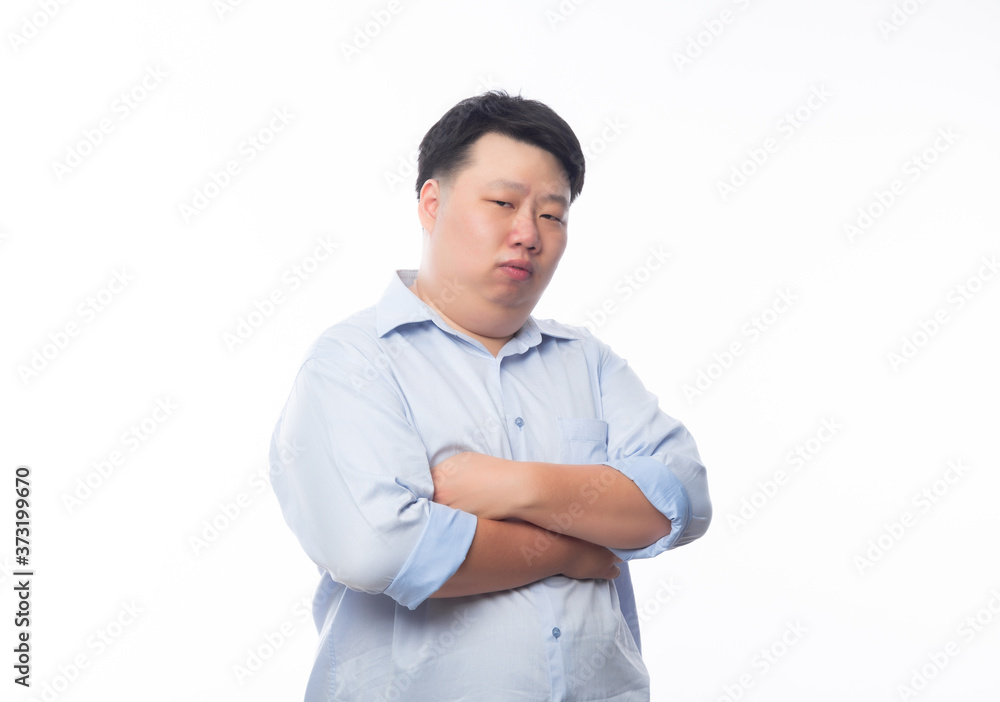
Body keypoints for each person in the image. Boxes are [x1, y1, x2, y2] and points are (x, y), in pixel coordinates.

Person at [268, 90, 711, 701]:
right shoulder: (355, 360)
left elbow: (682, 499)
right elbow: (378, 549)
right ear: (432, 202)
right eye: (503, 202)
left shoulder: (587, 360)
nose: (528, 233)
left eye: (552, 215)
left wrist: (511, 485)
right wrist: (570, 549)